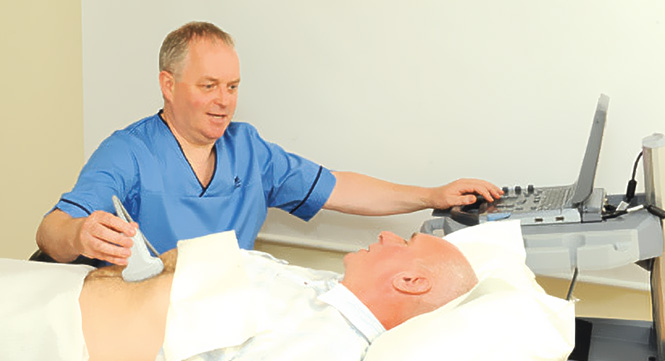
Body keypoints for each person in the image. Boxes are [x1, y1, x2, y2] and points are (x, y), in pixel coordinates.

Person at [35, 21, 502, 266]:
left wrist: (430, 195)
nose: (224, 102)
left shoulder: (248, 149)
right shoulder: (128, 152)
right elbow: (50, 232)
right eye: (209, 86)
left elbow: (338, 187)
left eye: (233, 87)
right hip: (150, 317)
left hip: (224, 313)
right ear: (168, 84)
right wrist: (78, 235)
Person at [76, 230, 478, 361]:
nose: (386, 235)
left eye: (404, 242)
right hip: (76, 288)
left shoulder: (322, 345)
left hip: (63, 331)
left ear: (410, 282)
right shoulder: (323, 286)